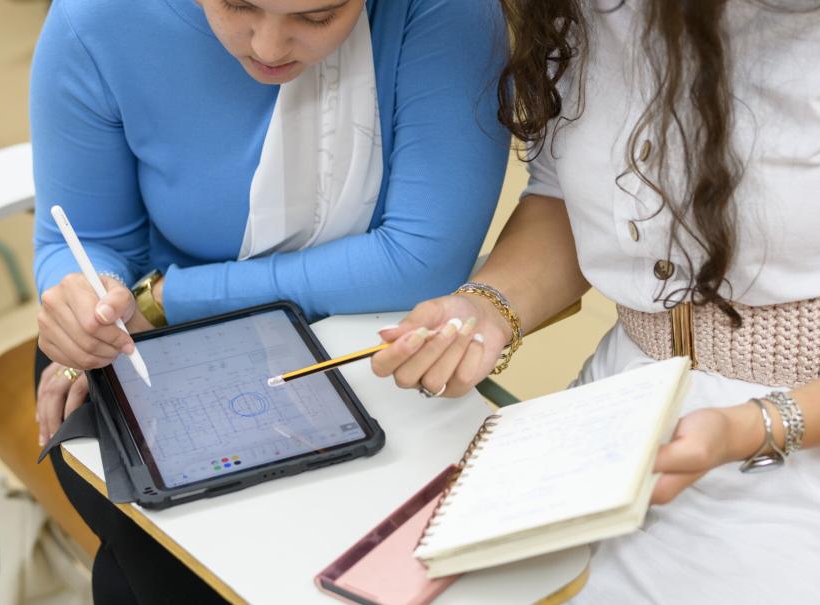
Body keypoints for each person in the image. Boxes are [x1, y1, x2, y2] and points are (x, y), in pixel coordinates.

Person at [370, 0, 820, 602]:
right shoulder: (591, 12)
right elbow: (566, 196)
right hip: (618, 410)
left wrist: (749, 428)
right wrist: (489, 306)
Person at [30, 0, 508, 600]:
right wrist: (84, 302)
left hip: (366, 354)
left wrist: (165, 299)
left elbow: (419, 260)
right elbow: (81, 238)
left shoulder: (444, 11)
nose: (268, 45)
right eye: (237, 5)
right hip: (145, 353)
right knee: (164, 573)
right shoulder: (98, 20)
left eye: (316, 16)